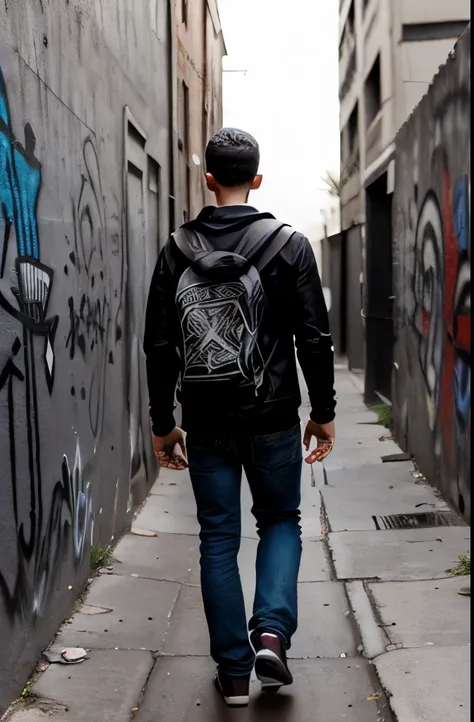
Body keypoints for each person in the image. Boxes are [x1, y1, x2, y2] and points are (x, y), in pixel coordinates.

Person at [144, 128, 336, 707]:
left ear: (207, 179)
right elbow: (316, 339)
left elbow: (159, 345)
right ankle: (271, 633)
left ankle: (232, 675)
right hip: (274, 417)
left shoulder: (176, 248)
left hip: (206, 423)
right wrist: (322, 413)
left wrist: (162, 422)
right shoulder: (290, 245)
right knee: (280, 520)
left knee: (218, 539)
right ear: (256, 178)